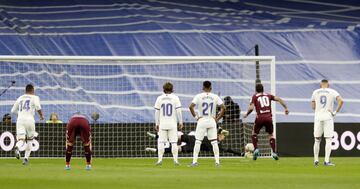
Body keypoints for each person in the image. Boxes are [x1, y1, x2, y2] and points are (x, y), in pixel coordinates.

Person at [244, 83, 289, 161]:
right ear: (263, 89)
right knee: (271, 135)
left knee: (254, 133)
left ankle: (256, 149)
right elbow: (278, 99)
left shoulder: (254, 96)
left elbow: (251, 108)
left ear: (256, 90)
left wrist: (246, 114)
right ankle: (274, 153)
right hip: (269, 118)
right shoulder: (268, 95)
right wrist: (286, 108)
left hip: (260, 118)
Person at [189, 81, 225, 167]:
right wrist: (217, 118)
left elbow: (190, 107)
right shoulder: (215, 96)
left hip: (202, 120)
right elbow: (223, 108)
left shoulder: (199, 96)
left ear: (203, 87)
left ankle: (194, 162)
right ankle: (217, 162)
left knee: (198, 142)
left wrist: (196, 117)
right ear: (211, 87)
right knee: (214, 142)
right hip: (211, 120)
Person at [311, 79, 343, 166]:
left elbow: (313, 106)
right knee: (328, 139)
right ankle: (326, 161)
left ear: (320, 84)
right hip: (328, 117)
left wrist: (319, 108)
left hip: (318, 117)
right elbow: (341, 101)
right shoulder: (332, 91)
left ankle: (316, 160)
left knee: (317, 139)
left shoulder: (315, 92)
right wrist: (335, 112)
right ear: (328, 85)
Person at [11, 84, 44, 165]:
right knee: (30, 139)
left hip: (20, 120)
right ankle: (25, 159)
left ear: (25, 90)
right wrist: (41, 115)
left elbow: (12, 111)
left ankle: (17, 147)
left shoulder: (20, 98)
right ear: (32, 90)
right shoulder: (35, 97)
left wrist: (20, 114)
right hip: (30, 120)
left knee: (21, 139)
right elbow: (37, 107)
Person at [154, 82, 183, 166]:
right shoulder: (175, 98)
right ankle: (175, 161)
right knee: (174, 142)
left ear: (164, 89)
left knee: (161, 142)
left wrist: (157, 123)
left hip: (162, 123)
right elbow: (178, 111)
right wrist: (180, 122)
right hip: (172, 124)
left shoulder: (159, 98)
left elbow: (157, 111)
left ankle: (159, 160)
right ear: (172, 89)